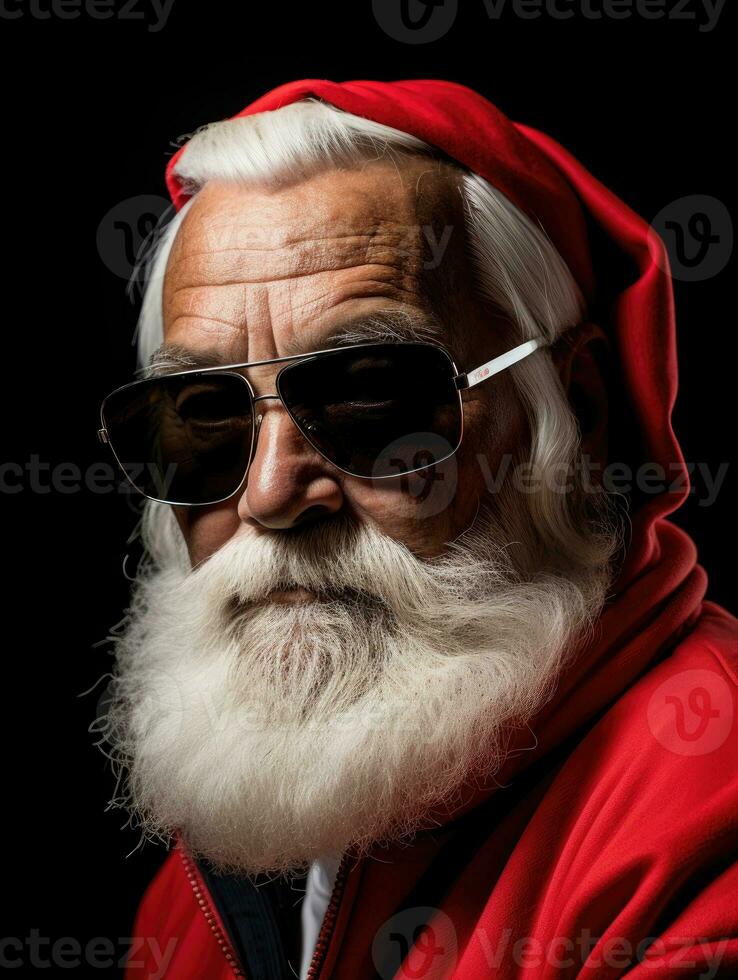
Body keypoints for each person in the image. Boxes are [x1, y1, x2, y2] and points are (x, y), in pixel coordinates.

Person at [96, 79, 738, 979]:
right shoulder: (225, 846)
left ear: (577, 410)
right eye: (203, 416)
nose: (273, 493)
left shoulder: (704, 835)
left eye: (372, 395)